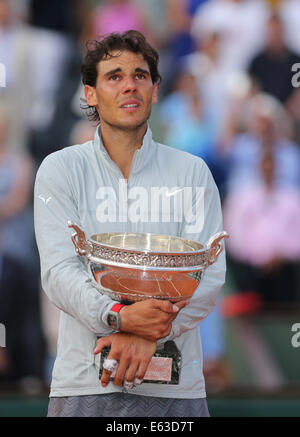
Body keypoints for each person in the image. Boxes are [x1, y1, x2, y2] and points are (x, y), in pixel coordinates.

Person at [34, 30, 226, 418]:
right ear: (90, 93)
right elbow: (59, 272)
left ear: (155, 90)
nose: (129, 86)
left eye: (140, 75)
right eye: (114, 76)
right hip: (83, 384)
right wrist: (118, 319)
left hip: (178, 391)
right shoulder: (60, 169)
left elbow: (210, 275)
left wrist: (148, 334)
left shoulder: (192, 172)